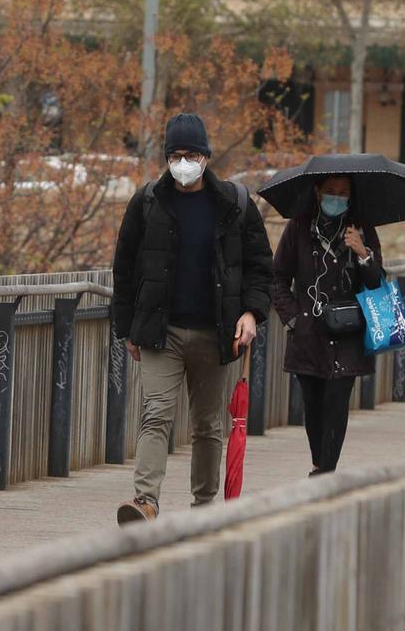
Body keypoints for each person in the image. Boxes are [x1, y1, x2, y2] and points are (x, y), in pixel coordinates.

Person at [111, 113, 273, 524]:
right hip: (161, 332)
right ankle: (145, 501)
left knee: (207, 425)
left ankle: (203, 507)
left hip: (216, 333)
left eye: (191, 154)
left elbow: (259, 266)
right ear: (166, 157)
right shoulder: (147, 202)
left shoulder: (235, 204)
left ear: (206, 157)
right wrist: (127, 327)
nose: (183, 163)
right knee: (156, 414)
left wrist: (252, 313)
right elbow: (125, 268)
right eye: (176, 155)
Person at [271, 175, 383, 476]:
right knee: (314, 405)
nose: (337, 197)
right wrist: (294, 318)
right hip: (308, 334)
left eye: (343, 193)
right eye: (331, 192)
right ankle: (319, 463)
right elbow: (278, 278)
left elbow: (376, 282)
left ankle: (325, 473)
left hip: (348, 334)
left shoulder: (362, 229)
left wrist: (362, 251)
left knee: (336, 401)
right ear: (318, 192)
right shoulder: (298, 227)